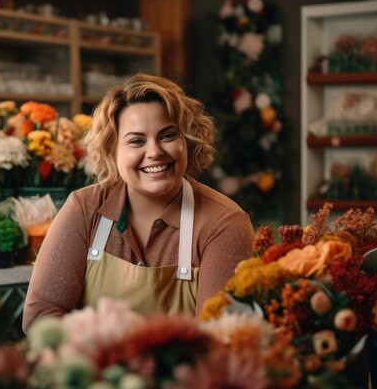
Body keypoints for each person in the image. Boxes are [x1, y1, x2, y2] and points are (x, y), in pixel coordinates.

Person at [22, 73, 254, 331]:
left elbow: (217, 340)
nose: (154, 152)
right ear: (112, 150)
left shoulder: (224, 224)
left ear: (187, 141)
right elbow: (41, 315)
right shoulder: (84, 208)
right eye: (136, 141)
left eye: (168, 135)